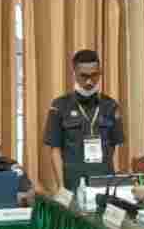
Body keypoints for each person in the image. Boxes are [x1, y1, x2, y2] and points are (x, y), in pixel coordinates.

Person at [43, 49, 125, 190]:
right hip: (73, 182)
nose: (89, 81)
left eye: (94, 76)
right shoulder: (59, 106)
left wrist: (115, 180)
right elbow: (55, 150)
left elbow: (116, 146)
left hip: (103, 181)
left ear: (100, 73)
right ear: (74, 73)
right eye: (84, 76)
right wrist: (61, 187)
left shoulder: (110, 106)